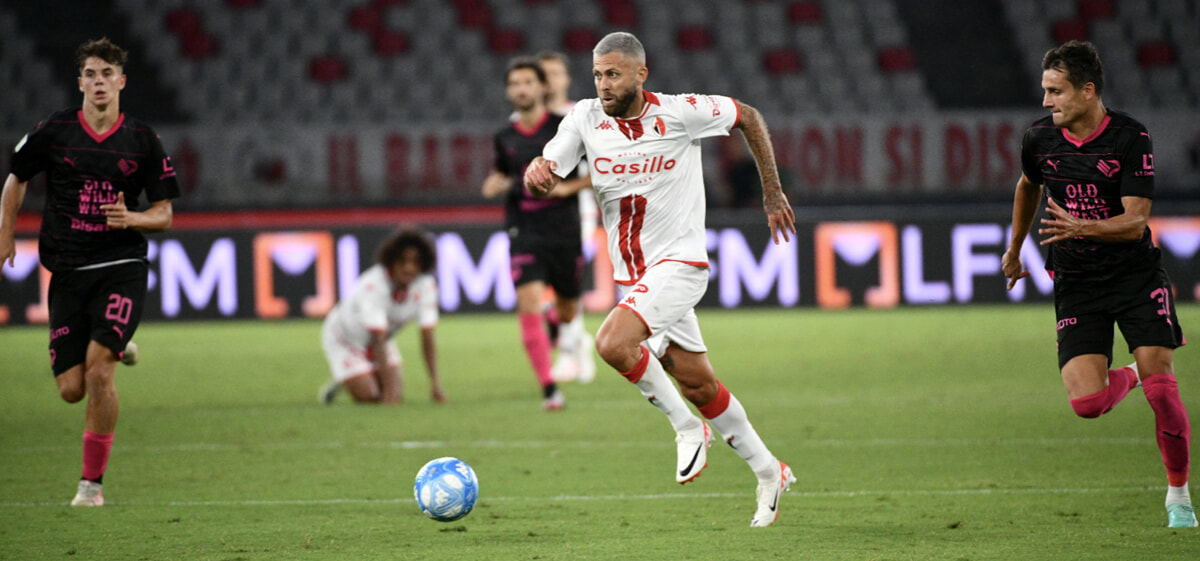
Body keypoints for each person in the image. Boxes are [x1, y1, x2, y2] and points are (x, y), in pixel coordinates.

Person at [523, 32, 798, 526]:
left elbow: (748, 117)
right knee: (697, 382)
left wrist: (772, 193)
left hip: (681, 264)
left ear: (640, 73)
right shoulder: (584, 118)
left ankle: (687, 430)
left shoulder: (679, 112)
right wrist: (537, 173)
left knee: (611, 343)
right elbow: (551, 164)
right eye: (598, 75)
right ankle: (768, 471)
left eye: (613, 74)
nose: (604, 84)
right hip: (638, 279)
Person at [1003, 40, 1195, 528]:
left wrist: (1081, 227)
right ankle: (1130, 374)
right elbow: (1028, 186)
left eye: (1056, 91)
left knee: (1164, 391)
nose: (1047, 102)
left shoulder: (1130, 137)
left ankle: (1179, 497)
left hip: (1134, 276)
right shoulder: (1039, 140)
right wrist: (1013, 249)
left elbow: (1135, 222)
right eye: (1045, 91)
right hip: (1077, 281)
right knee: (1087, 404)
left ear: (1088, 91)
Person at [0, 38, 180, 507]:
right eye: (91, 74)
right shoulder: (56, 130)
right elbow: (16, 177)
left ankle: (91, 487)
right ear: (80, 81)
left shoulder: (142, 139)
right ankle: (119, 342)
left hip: (122, 265)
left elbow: (163, 214)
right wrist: (5, 234)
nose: (99, 82)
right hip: (68, 268)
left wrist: (132, 219)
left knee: (100, 373)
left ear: (122, 81)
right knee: (70, 390)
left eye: (107, 74)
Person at [482, 57, 593, 410]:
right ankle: (549, 389)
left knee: (567, 310)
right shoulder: (504, 137)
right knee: (527, 301)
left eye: (528, 82)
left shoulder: (568, 128)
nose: (521, 89)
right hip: (523, 229)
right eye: (514, 83)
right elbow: (500, 176)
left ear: (543, 87)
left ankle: (556, 323)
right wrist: (493, 186)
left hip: (564, 229)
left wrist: (566, 188)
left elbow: (601, 171)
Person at [319, 227, 445, 405]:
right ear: (391, 261)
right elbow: (377, 338)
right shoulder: (374, 284)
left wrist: (436, 385)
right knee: (370, 396)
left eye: (415, 262)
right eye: (402, 261)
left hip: (382, 340)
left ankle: (355, 375)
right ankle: (345, 378)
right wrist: (389, 394)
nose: (408, 268)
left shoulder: (426, 285)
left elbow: (427, 337)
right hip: (346, 338)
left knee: (395, 394)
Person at [536, 50, 599, 384]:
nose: (549, 81)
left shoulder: (581, 116)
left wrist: (564, 189)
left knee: (565, 286)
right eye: (542, 75)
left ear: (566, 78)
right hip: (536, 216)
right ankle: (577, 342)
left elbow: (604, 168)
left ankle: (569, 353)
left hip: (576, 212)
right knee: (546, 290)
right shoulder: (528, 119)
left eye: (554, 74)